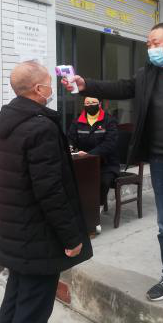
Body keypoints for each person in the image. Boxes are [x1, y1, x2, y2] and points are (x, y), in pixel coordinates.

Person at [61, 23, 163, 314]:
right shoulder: (147, 74)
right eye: (148, 44)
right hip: (160, 164)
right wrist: (85, 84)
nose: (151, 48)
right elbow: (121, 87)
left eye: (156, 42)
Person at [0, 60, 93, 323]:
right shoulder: (40, 127)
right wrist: (71, 238)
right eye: (49, 83)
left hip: (17, 232)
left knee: (15, 297)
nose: (52, 88)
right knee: (33, 309)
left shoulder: (8, 120)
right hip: (39, 238)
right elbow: (50, 191)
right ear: (38, 89)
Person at [67, 97, 120, 232]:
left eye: (93, 103)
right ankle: (81, 213)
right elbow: (71, 138)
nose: (90, 105)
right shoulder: (77, 121)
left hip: (107, 164)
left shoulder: (109, 121)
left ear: (99, 104)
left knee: (102, 182)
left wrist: (90, 154)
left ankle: (95, 215)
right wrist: (70, 147)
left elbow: (110, 144)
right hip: (84, 164)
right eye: (87, 103)